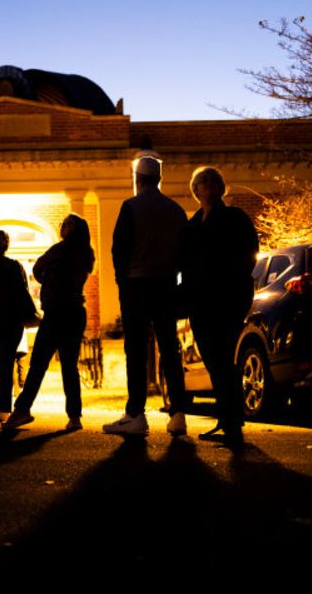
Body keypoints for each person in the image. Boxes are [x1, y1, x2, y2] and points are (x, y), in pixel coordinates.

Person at [103, 154, 190, 437]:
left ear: (137, 179)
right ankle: (178, 413)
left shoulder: (130, 207)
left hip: (136, 285)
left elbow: (119, 250)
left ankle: (136, 414)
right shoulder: (176, 211)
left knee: (136, 350)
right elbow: (184, 254)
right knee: (169, 348)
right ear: (159, 178)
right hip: (165, 284)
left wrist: (122, 281)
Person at [179, 166, 258, 448]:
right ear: (196, 190)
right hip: (200, 304)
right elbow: (185, 266)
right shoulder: (192, 225)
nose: (209, 187)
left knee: (226, 359)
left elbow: (250, 254)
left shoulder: (234, 218)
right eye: (203, 183)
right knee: (212, 360)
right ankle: (227, 418)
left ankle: (232, 419)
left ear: (221, 188)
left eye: (214, 182)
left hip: (228, 300)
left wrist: (234, 283)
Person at [3, 214, 96, 431]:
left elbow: (37, 268)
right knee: (69, 366)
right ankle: (74, 416)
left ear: (73, 228)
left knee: (38, 365)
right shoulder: (86, 252)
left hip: (56, 312)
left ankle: (22, 410)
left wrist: (49, 280)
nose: (62, 227)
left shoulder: (60, 249)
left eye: (65, 224)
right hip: (75, 311)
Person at [0, 230, 32, 421]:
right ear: (7, 245)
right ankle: (3, 410)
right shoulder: (14, 266)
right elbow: (23, 292)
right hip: (11, 321)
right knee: (6, 364)